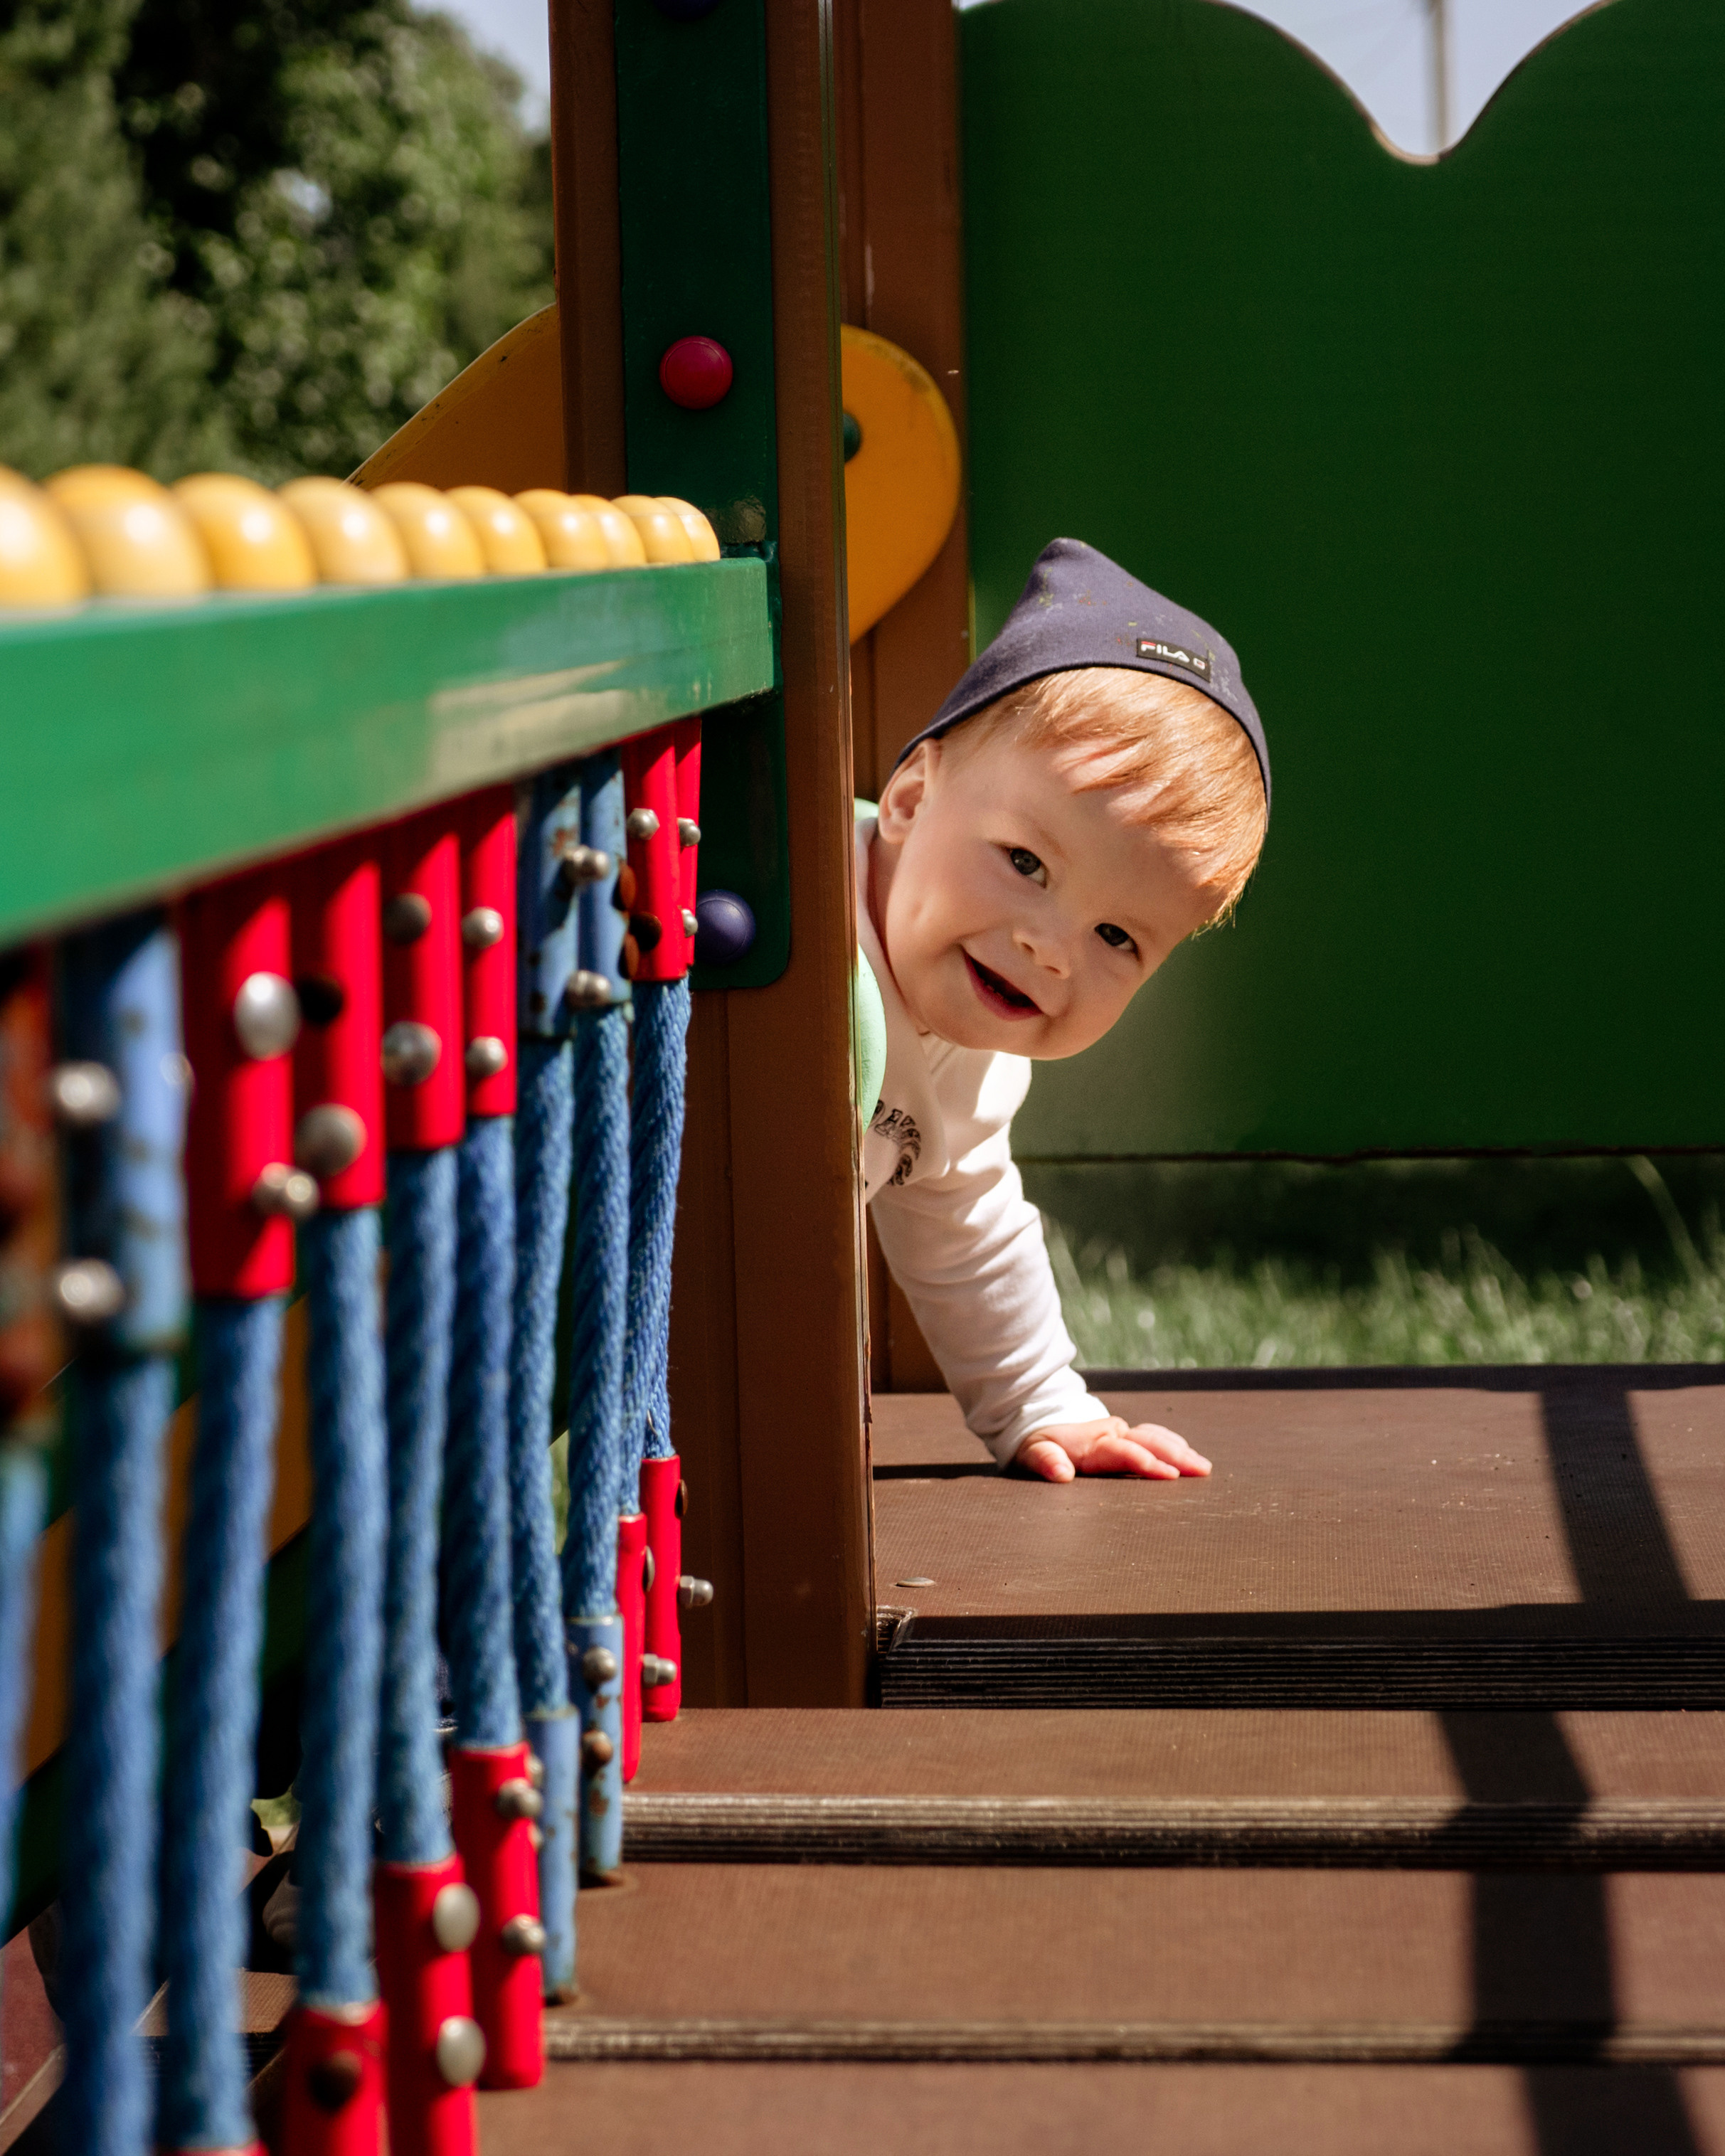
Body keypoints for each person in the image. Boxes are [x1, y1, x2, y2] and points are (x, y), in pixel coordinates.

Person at [858, 538, 1270, 1482]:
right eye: (1026, 863)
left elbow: (963, 1224)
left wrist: (1038, 1402)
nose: (1050, 948)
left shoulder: (974, 1057)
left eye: (1116, 936)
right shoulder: (793, 921)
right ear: (911, 797)